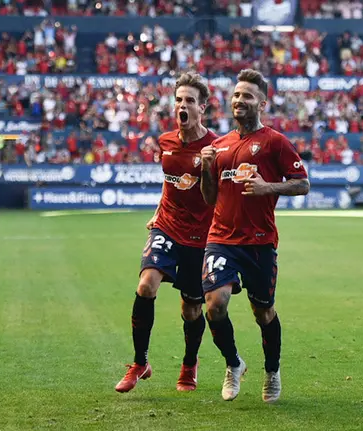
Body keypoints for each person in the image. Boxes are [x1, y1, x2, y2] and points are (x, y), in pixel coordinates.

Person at [199, 69, 310, 402]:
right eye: (235, 95)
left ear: (262, 101)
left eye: (247, 95)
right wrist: (206, 169)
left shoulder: (275, 142)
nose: (239, 100)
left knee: (263, 314)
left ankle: (272, 371)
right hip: (221, 239)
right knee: (215, 305)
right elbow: (209, 198)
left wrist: (267, 188)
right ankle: (233, 364)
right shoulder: (218, 146)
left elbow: (303, 183)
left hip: (260, 242)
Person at [115, 72, 219, 393]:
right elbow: (169, 182)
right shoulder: (166, 142)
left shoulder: (215, 147)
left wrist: (206, 170)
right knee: (146, 285)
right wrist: (159, 211)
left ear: (202, 107)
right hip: (167, 226)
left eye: (189, 101)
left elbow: (214, 198)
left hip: (199, 237)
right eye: (178, 100)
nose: (182, 105)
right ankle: (139, 361)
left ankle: (189, 364)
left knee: (191, 309)